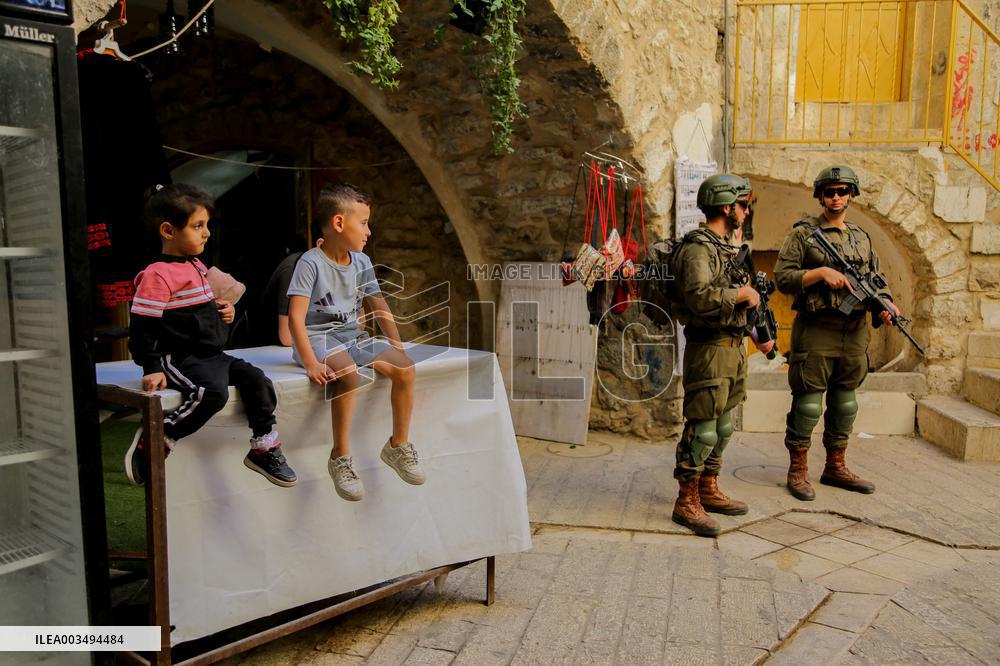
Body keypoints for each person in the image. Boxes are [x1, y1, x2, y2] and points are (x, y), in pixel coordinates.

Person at [125, 184, 297, 487]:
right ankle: (159, 436)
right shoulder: (156, 274)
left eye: (207, 225)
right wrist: (151, 366)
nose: (206, 233)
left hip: (211, 355)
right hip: (179, 357)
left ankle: (264, 447)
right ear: (168, 230)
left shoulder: (196, 265)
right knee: (211, 393)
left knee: (258, 379)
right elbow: (142, 324)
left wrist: (224, 314)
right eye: (198, 226)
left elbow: (201, 312)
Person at [287, 184, 424, 501]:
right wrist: (309, 361)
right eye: (363, 222)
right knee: (348, 373)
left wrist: (397, 345)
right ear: (338, 223)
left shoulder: (361, 263)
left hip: (353, 336)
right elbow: (295, 318)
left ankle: (397, 445)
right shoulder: (310, 263)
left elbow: (378, 304)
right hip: (316, 338)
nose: (368, 231)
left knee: (405, 369)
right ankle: (340, 457)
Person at [774, 166, 899, 501]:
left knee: (845, 402)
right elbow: (783, 277)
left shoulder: (861, 236)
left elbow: (877, 279)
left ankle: (835, 466)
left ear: (852, 195)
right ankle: (798, 469)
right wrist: (819, 273)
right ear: (820, 196)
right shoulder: (803, 235)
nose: (836, 197)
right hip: (817, 329)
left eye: (842, 191)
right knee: (809, 403)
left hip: (855, 331)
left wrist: (885, 304)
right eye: (829, 191)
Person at [670, 174, 774, 537]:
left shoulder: (728, 248)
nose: (747, 212)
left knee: (724, 426)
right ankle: (686, 501)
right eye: (743, 205)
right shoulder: (699, 249)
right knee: (703, 429)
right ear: (727, 206)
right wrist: (740, 296)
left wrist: (759, 334)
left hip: (733, 347)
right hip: (709, 349)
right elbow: (698, 297)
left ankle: (708, 489)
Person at [253, 224, 323, 347]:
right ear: (320, 244)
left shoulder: (348, 269)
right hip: (271, 350)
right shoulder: (296, 267)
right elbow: (287, 337)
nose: (368, 233)